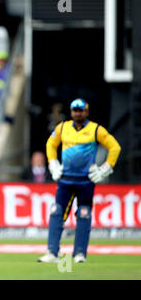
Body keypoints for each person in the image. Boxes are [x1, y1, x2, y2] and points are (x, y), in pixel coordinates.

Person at [38, 98, 121, 263]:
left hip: (85, 180)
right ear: (71, 112)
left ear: (86, 112)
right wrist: (53, 163)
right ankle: (52, 252)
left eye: (81, 110)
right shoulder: (63, 128)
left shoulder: (95, 129)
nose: (78, 113)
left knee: (84, 214)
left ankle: (80, 253)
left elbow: (114, 147)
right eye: (75, 110)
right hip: (66, 179)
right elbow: (51, 144)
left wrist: (105, 168)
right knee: (56, 212)